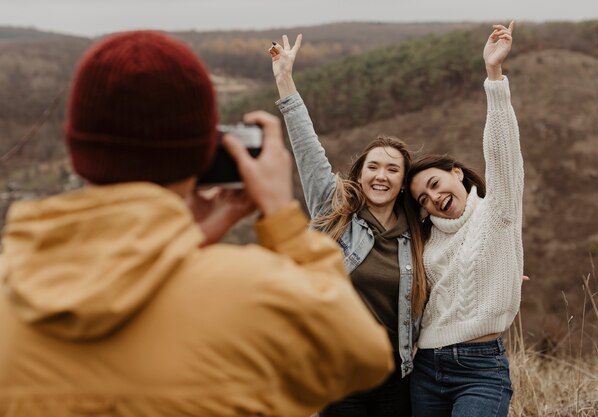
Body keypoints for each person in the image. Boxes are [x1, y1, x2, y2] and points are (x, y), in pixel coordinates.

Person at [0, 30, 395, 417]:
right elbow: (363, 355)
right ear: (206, 152)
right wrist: (281, 220)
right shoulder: (250, 294)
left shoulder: (9, 285)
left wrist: (186, 237)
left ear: (76, 148)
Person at [269, 35, 428, 416]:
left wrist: (499, 272)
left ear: (403, 182)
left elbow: (459, 246)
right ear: (360, 173)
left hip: (397, 378)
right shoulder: (335, 211)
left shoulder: (419, 233)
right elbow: (307, 148)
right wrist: (284, 79)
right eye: (373, 166)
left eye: (392, 169)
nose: (381, 176)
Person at [406, 22, 522, 417]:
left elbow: (503, 151)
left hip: (479, 369)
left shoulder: (497, 211)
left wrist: (494, 76)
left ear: (456, 173)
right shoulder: (426, 238)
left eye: (436, 184)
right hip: (425, 368)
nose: (435, 198)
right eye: (424, 198)